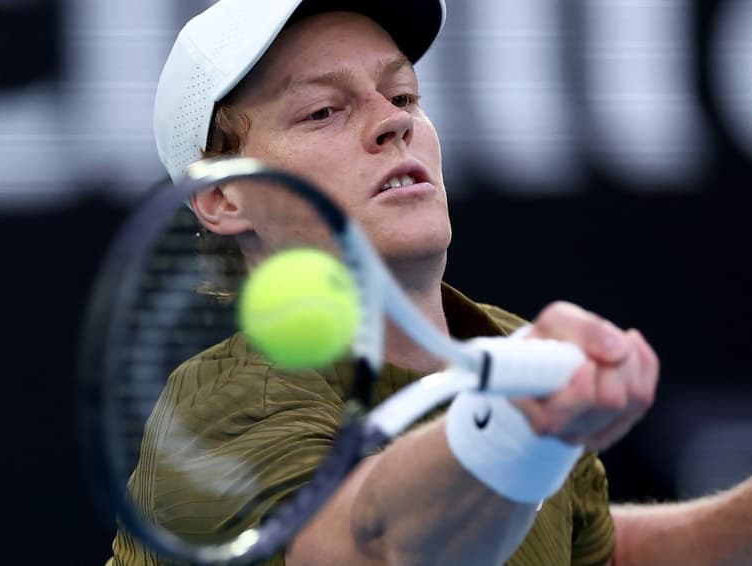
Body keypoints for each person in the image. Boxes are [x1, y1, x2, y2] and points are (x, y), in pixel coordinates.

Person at [109, 0, 752, 564]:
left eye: (404, 95)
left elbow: (592, 553)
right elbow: (375, 549)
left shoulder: (504, 341)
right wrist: (518, 426)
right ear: (223, 197)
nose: (395, 123)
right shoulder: (216, 413)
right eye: (323, 111)